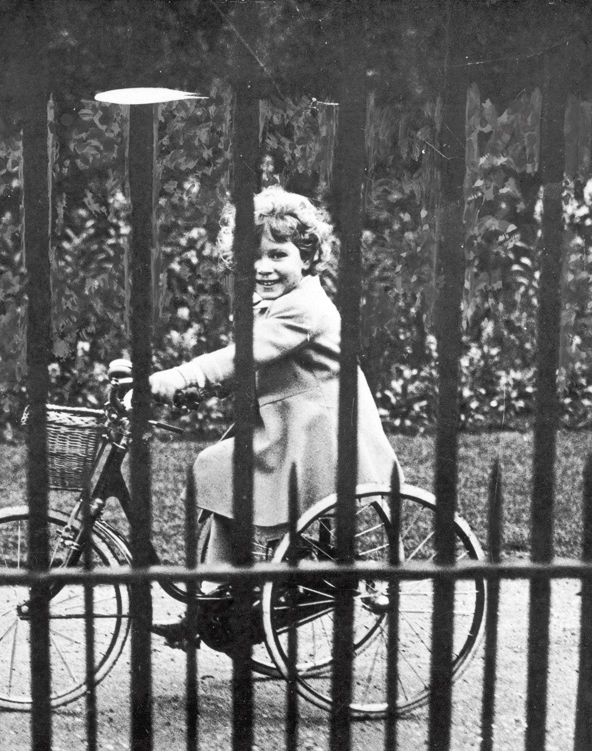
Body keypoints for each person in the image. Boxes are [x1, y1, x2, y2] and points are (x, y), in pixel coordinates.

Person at [146, 187, 401, 647]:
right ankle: (210, 601)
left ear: (307, 257)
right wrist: (191, 391)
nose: (263, 267)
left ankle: (233, 594)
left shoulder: (306, 307)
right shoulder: (272, 303)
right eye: (252, 257)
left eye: (278, 254)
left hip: (321, 435)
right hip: (289, 424)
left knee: (223, 467)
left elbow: (245, 355)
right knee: (220, 472)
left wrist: (184, 375)